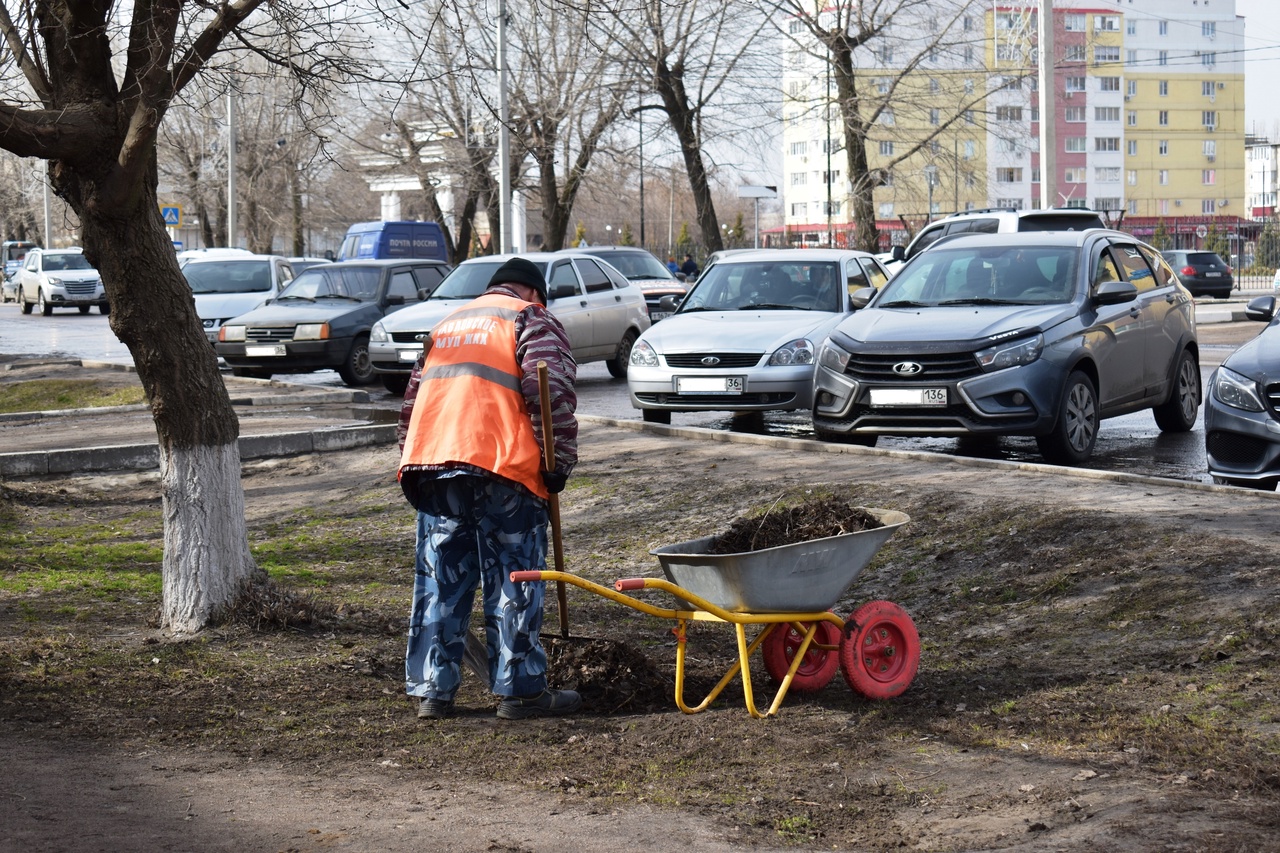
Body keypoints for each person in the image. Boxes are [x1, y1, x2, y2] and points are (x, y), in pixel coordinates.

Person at [397, 257, 581, 721]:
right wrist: (558, 461)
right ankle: (520, 692)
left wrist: (411, 458)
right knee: (513, 580)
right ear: (535, 293)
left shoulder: (448, 323)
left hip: (434, 470)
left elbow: (412, 403)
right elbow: (550, 389)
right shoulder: (530, 318)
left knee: (441, 581)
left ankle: (433, 693)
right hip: (504, 470)